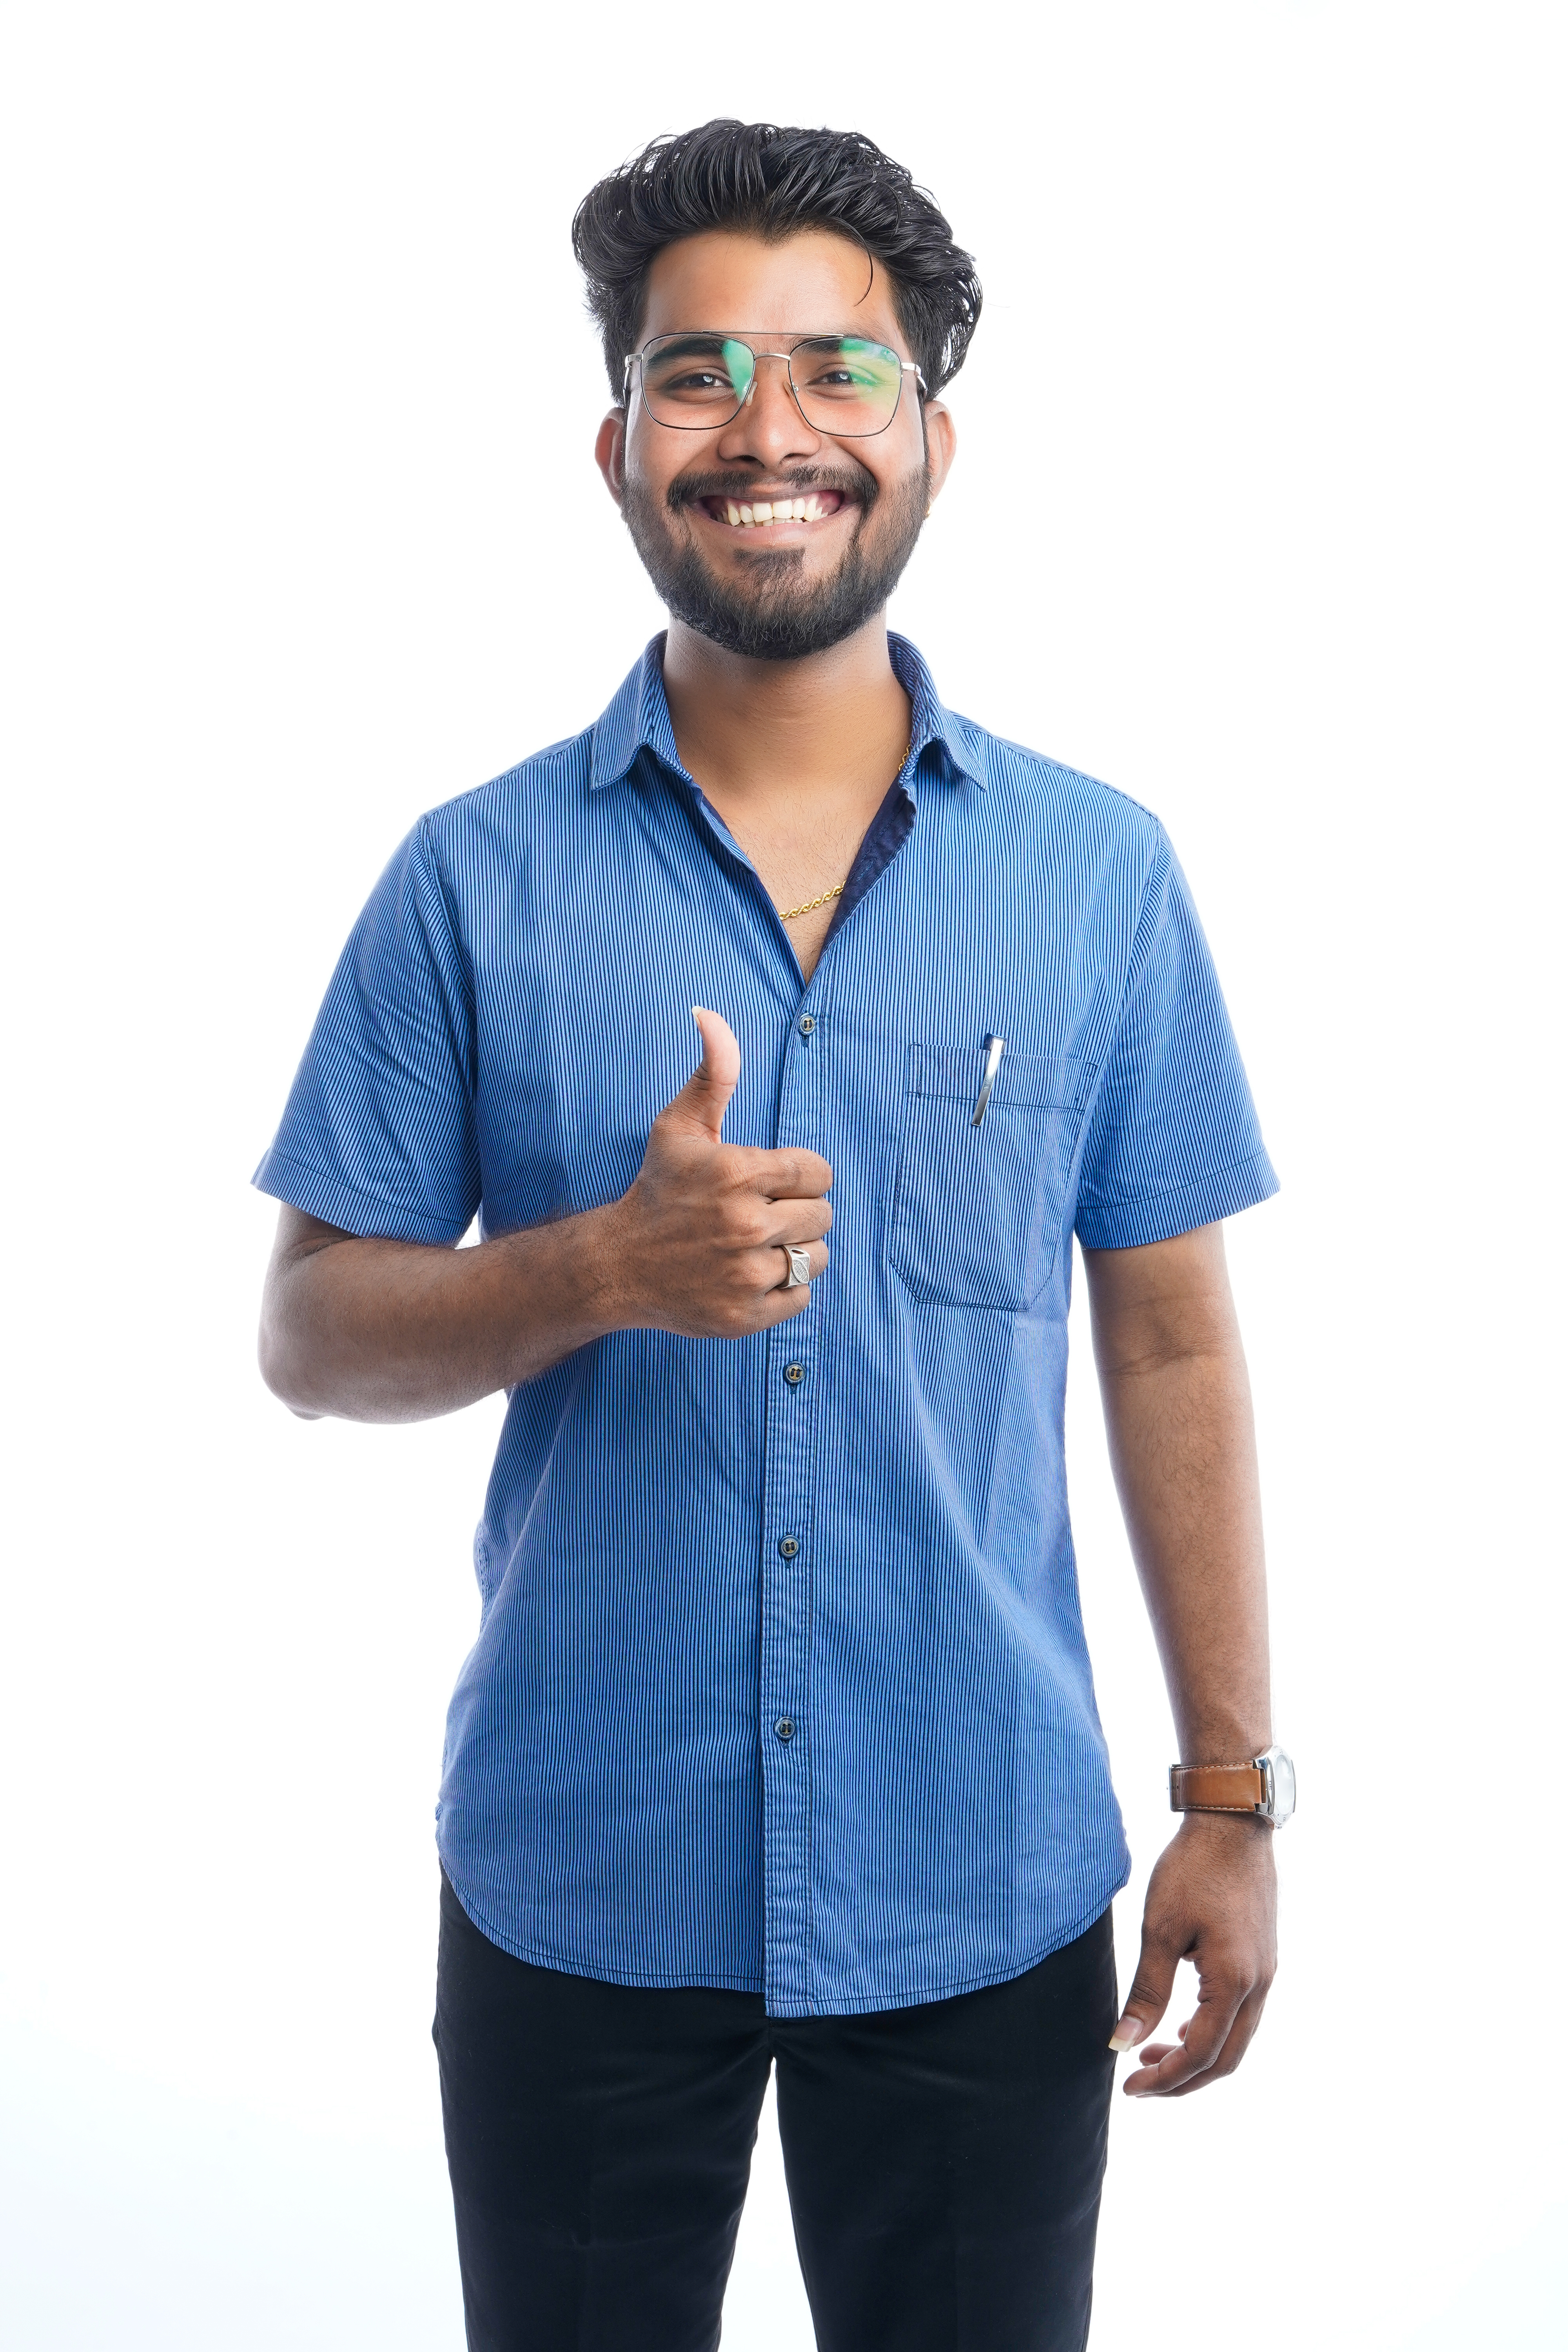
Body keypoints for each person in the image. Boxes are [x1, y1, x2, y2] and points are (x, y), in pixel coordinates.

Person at [256, 118, 1291, 2352]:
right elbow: (311, 1335)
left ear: (931, 439)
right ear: (617, 447)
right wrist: (592, 1269)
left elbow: (1172, 1340)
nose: (768, 432)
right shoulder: (471, 878)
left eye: (839, 370)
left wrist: (1232, 1794)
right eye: (697, 373)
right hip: (580, 1875)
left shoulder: (1099, 876)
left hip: (983, 1869)